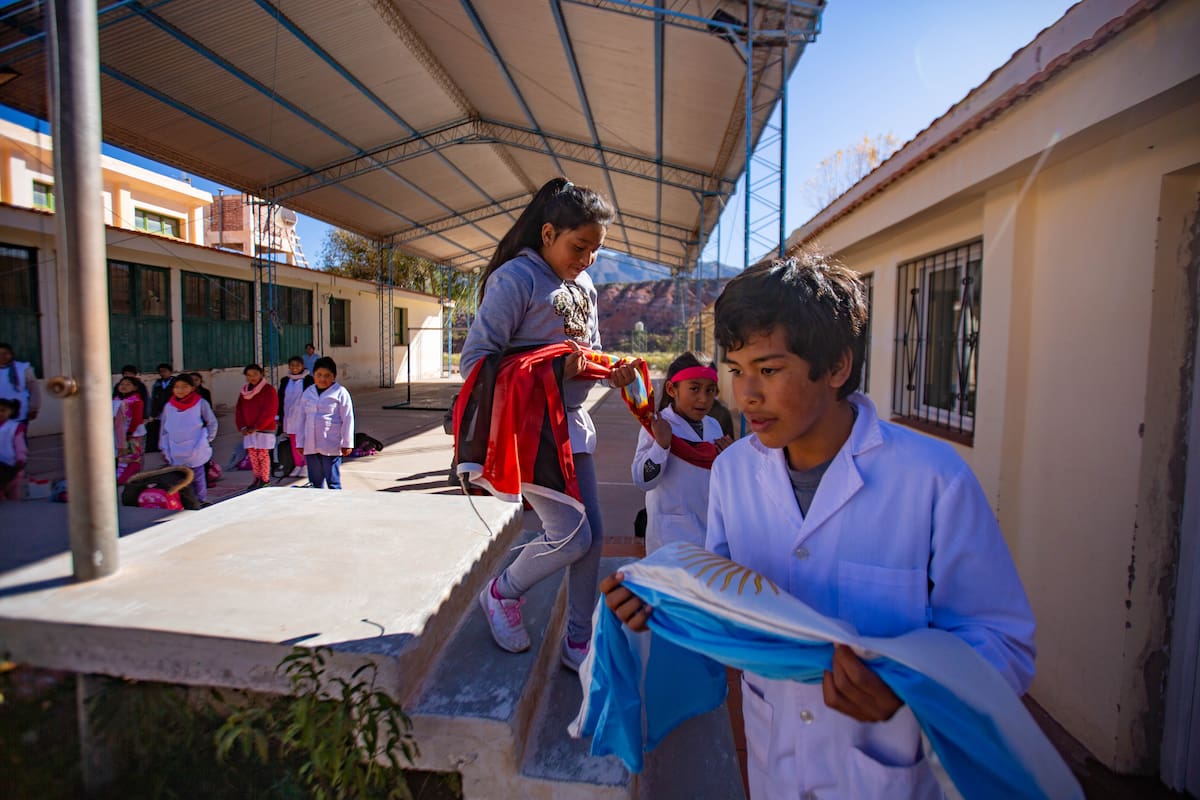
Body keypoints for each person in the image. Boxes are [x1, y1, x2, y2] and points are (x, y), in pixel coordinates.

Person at [602, 253, 1036, 799]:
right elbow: (729, 598)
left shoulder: (933, 481)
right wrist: (664, 605)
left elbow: (1004, 645)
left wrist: (909, 688)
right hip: (772, 760)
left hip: (887, 771)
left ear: (835, 367)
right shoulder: (734, 469)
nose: (745, 396)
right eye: (735, 371)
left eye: (769, 370)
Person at [459, 176, 641, 672]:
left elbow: (587, 352)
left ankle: (578, 639)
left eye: (595, 251)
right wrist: (556, 369)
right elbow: (474, 362)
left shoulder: (584, 287)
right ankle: (502, 592)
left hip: (573, 426)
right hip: (530, 431)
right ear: (546, 233)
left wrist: (611, 368)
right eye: (578, 246)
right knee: (572, 534)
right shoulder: (516, 279)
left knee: (593, 536)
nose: (585, 260)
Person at [631, 352, 731, 553]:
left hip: (709, 532)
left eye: (710, 390)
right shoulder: (657, 426)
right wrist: (661, 446)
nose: (703, 399)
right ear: (671, 389)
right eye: (694, 389)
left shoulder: (713, 427)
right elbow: (642, 480)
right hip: (670, 537)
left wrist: (731, 458)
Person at [295, 356, 354, 489]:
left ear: (334, 376)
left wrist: (347, 443)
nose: (322, 379)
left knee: (333, 482)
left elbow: (348, 418)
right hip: (310, 444)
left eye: (327, 375)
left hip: (331, 444)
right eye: (319, 375)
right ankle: (317, 507)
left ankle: (335, 507)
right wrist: (300, 442)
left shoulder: (340, 393)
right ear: (313, 375)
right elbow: (301, 419)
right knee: (315, 482)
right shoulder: (308, 392)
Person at [158, 375, 217, 504]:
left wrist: (207, 439)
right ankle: (185, 501)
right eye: (177, 387)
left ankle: (200, 500)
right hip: (175, 446)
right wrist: (163, 446)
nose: (180, 390)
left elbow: (212, 422)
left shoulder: (201, 403)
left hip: (195, 445)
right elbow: (164, 428)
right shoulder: (169, 406)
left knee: (197, 476)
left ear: (192, 388)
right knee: (179, 476)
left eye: (185, 387)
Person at [235, 364, 278, 491]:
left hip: (264, 429)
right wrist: (242, 426)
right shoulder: (244, 391)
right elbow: (239, 410)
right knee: (253, 455)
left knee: (263, 455)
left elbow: (270, 410)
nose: (252, 377)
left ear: (261, 374)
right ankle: (256, 478)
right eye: (249, 375)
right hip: (249, 430)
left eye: (255, 374)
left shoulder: (268, 390)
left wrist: (257, 426)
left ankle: (265, 479)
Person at [278, 356, 314, 477]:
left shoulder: (309, 380)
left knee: (304, 442)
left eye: (297, 365)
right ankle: (298, 465)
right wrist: (278, 416)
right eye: (292, 365)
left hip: (304, 416)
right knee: (294, 442)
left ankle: (306, 465)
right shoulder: (285, 381)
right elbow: (280, 399)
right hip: (289, 417)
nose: (295, 368)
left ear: (302, 366)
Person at [112, 376, 147, 484]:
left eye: (128, 384)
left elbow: (137, 418)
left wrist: (130, 432)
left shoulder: (136, 401)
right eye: (122, 384)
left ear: (135, 388)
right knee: (121, 455)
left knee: (131, 455)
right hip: (118, 433)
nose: (124, 386)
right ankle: (120, 477)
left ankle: (129, 477)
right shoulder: (115, 400)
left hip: (132, 433)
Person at [0, 343, 40, 426]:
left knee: (18, 436)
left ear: (12, 354)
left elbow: (34, 390)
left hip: (19, 411)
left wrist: (33, 408)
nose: (2, 356)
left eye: (5, 354)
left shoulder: (23, 368)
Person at [0, 398, 27, 501]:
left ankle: (15, 510)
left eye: (3, 410)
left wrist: (21, 459)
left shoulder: (14, 427)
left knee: (13, 492)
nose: (0, 413)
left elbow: (20, 445)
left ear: (11, 411)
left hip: (11, 465)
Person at [146, 363, 174, 453]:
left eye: (165, 371)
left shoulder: (175, 382)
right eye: (161, 372)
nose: (163, 373)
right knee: (162, 429)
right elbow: (154, 398)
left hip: (173, 409)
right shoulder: (157, 384)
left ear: (170, 372)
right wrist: (153, 412)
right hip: (160, 410)